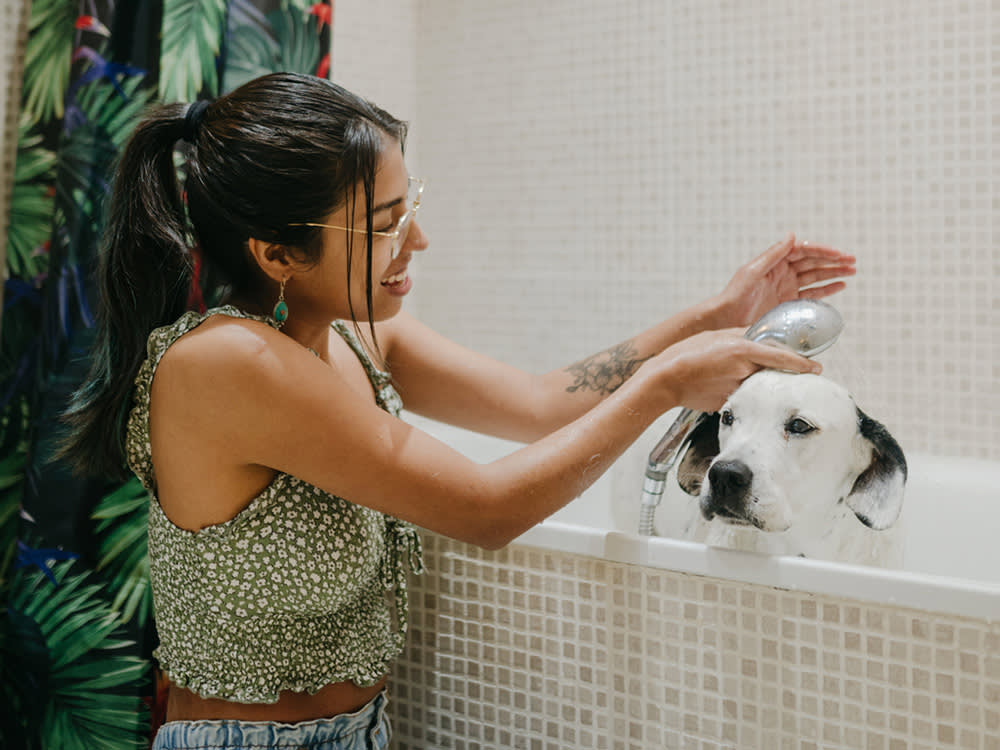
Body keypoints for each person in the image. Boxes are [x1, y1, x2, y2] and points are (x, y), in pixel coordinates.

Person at [60, 72, 855, 750]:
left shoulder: (358, 338)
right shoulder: (223, 364)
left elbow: (542, 403)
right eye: (386, 224)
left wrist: (714, 312)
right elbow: (484, 511)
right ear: (276, 254)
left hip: (362, 727)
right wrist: (662, 388)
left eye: (412, 207)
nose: (419, 241)